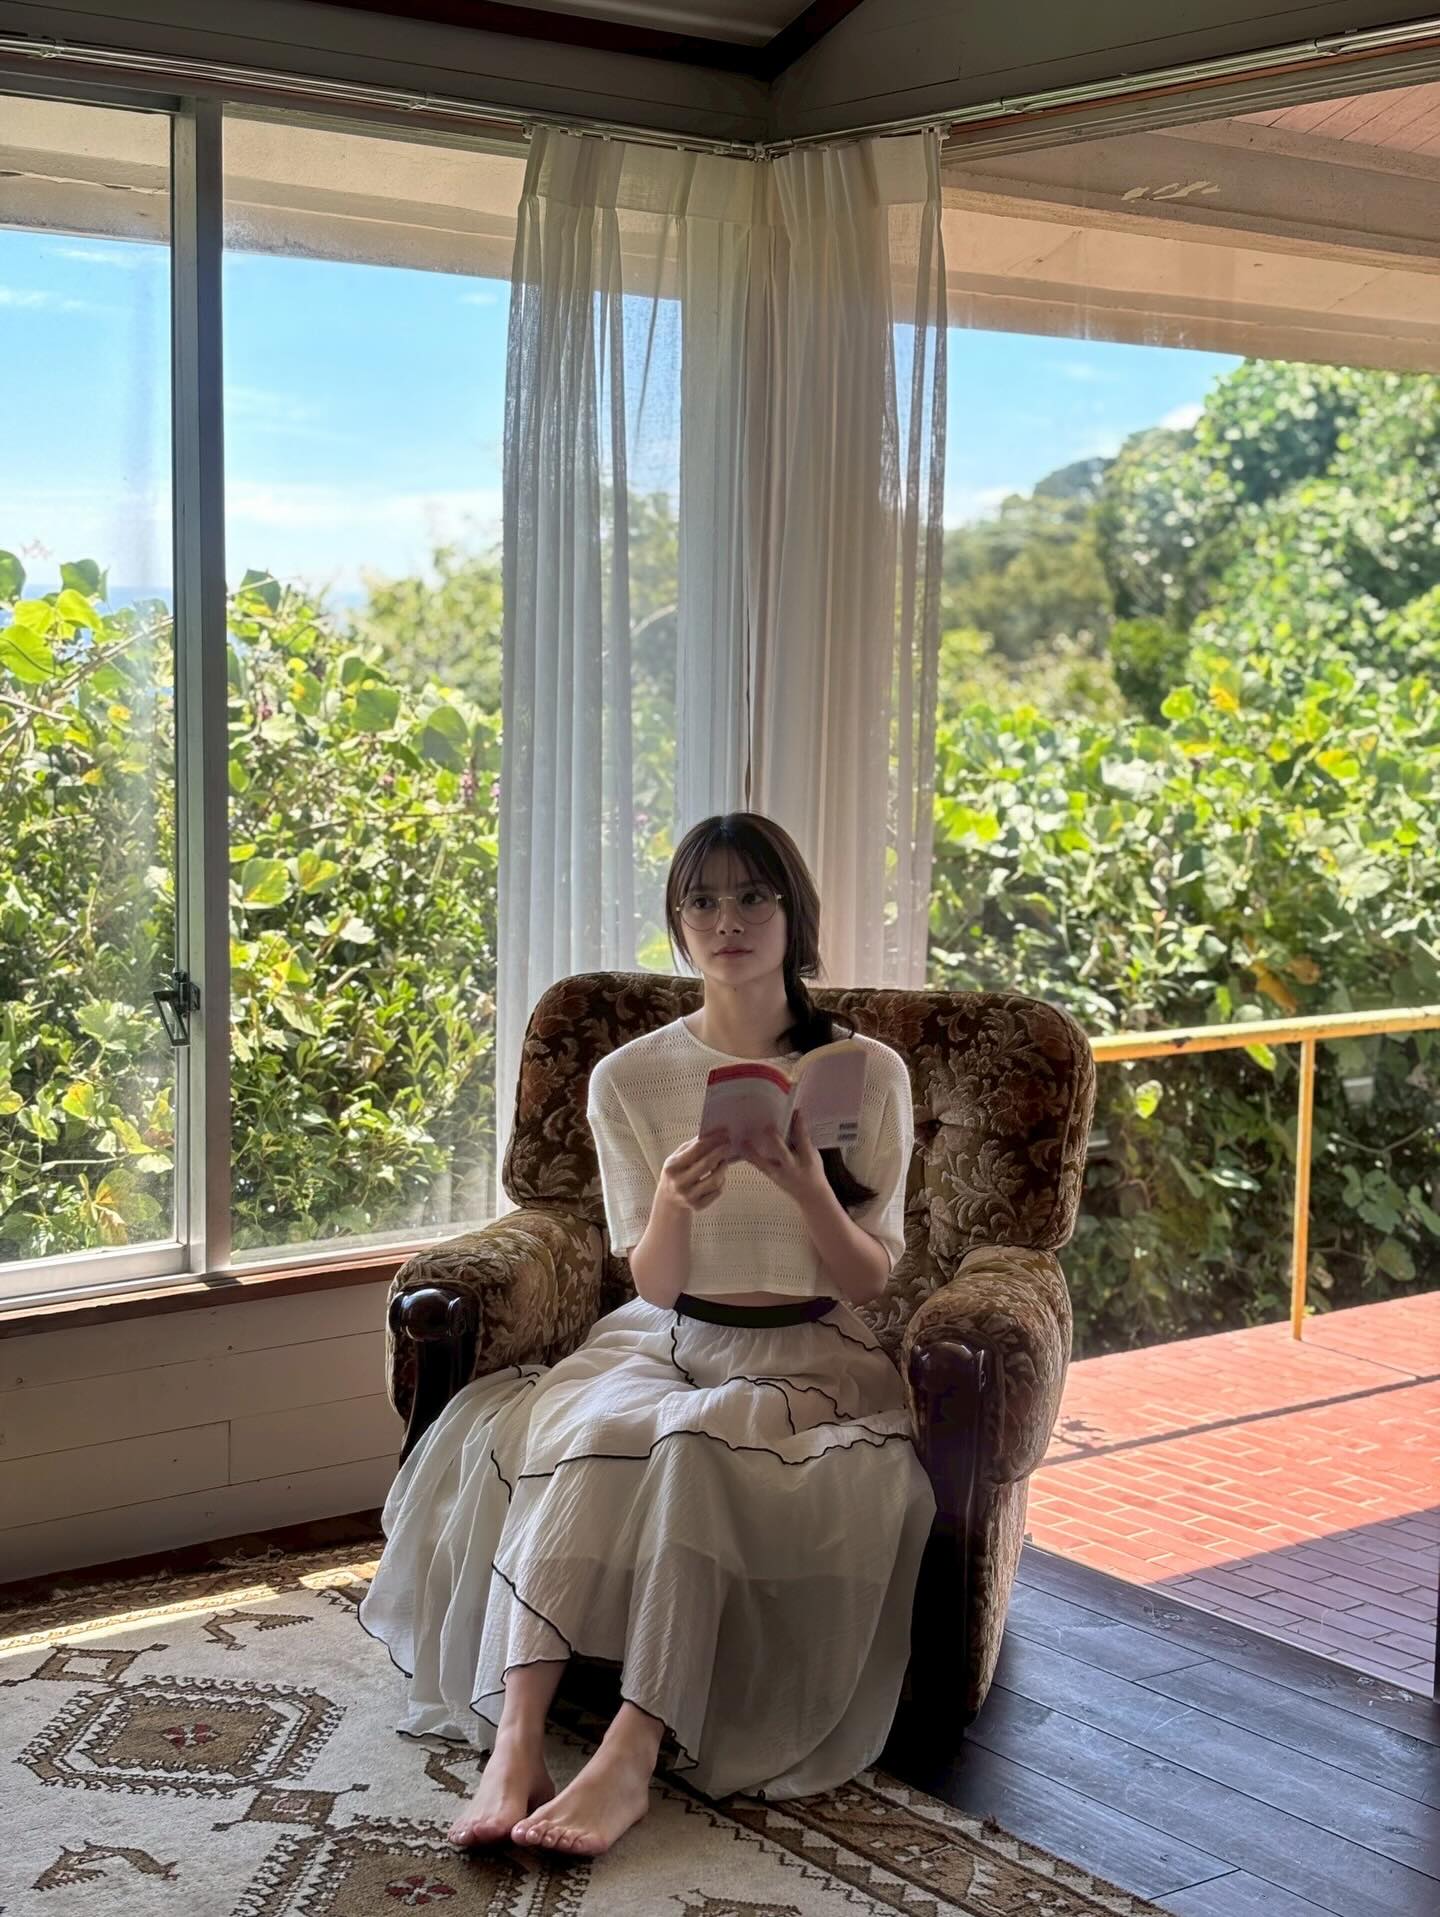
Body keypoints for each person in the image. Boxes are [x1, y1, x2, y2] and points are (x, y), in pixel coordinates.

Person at [358, 810, 936, 1860]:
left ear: (794, 915)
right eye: (701, 901)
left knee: (692, 1447)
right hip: (665, 1337)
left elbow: (866, 1278)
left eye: (752, 896)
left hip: (814, 1353)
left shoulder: (864, 1071)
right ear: (677, 921)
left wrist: (808, 1188)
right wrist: (672, 1200)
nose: (728, 921)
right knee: (582, 1432)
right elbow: (658, 1284)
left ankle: (631, 1749)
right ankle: (517, 1742)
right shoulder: (629, 1078)